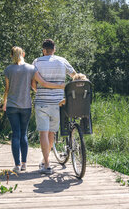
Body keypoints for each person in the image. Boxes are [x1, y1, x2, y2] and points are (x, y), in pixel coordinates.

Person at [3, 46, 64, 175]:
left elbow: (7, 89)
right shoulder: (31, 68)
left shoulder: (8, 70)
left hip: (12, 106)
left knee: (16, 134)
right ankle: (24, 164)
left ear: (11, 56)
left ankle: (17, 165)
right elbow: (41, 83)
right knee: (23, 134)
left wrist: (4, 103)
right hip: (26, 106)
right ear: (23, 54)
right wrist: (59, 86)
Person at [32, 39, 76, 174]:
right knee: (52, 132)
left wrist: (38, 91)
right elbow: (75, 76)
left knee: (43, 133)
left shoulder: (37, 62)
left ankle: (46, 164)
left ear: (43, 50)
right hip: (58, 103)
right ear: (54, 49)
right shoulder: (62, 61)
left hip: (42, 102)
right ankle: (46, 160)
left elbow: (33, 84)